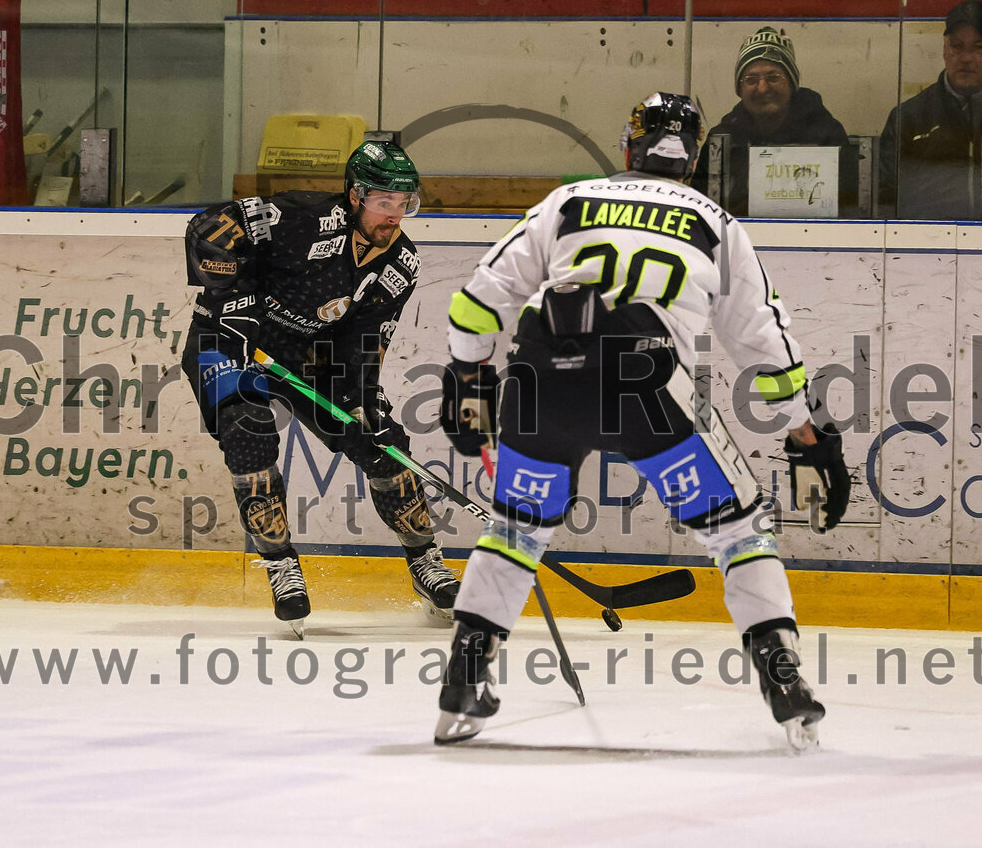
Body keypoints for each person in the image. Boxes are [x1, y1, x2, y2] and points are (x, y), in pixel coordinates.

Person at [435, 93, 851, 750]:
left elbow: (477, 301)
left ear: (631, 144)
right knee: (738, 527)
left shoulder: (569, 201)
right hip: (646, 382)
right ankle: (783, 675)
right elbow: (764, 342)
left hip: (543, 374)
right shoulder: (714, 220)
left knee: (516, 527)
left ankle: (464, 674)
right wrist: (807, 430)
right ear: (695, 156)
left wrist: (466, 379)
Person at [181, 139, 460, 632]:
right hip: (226, 339)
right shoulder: (302, 218)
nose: (393, 215)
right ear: (355, 196)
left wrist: (362, 402)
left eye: (403, 204)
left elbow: (365, 343)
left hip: (310, 354)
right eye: (382, 202)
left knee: (383, 444)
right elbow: (209, 230)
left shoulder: (401, 266)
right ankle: (282, 565)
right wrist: (232, 301)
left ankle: (425, 562)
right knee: (249, 433)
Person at [691, 26, 855, 216]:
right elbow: (699, 211)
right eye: (751, 79)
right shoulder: (721, 140)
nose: (762, 88)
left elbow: (849, 208)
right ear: (740, 88)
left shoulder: (826, 134)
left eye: (773, 77)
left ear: (791, 83)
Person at [879, 0, 982, 219]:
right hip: (928, 246)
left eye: (979, 47)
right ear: (944, 49)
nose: (966, 58)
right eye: (957, 46)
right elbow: (886, 199)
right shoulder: (908, 117)